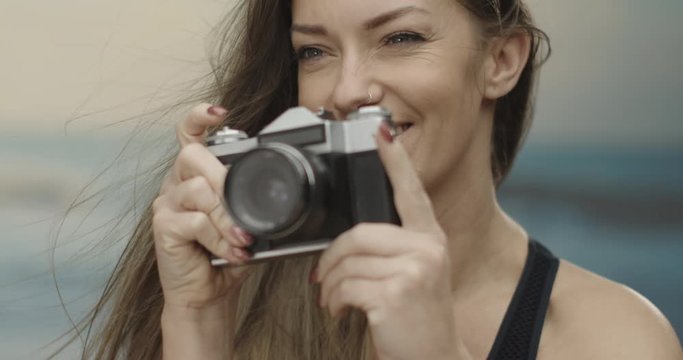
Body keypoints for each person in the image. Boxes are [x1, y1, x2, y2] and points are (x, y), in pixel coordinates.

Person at [58, 0, 681, 359]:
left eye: (401, 38)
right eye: (315, 52)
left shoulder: (611, 339)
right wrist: (197, 325)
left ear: (501, 60)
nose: (349, 90)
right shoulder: (242, 302)